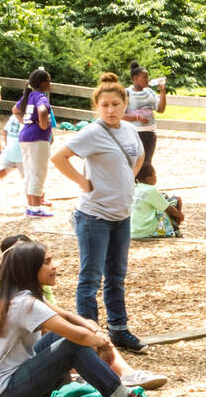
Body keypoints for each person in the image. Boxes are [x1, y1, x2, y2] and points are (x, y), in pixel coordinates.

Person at [0, 239, 163, 397]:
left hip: (4, 385)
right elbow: (78, 337)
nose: (55, 265)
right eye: (47, 262)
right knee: (72, 344)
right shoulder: (25, 304)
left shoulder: (19, 296)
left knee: (64, 337)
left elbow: (65, 317)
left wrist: (95, 331)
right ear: (31, 269)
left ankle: (95, 385)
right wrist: (103, 343)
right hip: (3, 395)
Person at [51, 73, 148, 354]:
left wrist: (128, 177)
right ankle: (90, 337)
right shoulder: (93, 132)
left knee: (116, 276)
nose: (110, 109)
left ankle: (118, 330)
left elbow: (139, 155)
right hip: (94, 215)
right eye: (104, 105)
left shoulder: (128, 130)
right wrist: (82, 182)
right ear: (97, 106)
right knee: (90, 278)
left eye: (116, 104)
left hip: (121, 215)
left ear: (124, 103)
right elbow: (59, 157)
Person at [14, 68, 54, 218]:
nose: (50, 84)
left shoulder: (29, 95)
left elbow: (15, 110)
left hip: (25, 136)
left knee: (30, 173)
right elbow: (43, 111)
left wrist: (26, 121)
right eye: (49, 81)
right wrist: (43, 126)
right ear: (43, 84)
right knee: (38, 173)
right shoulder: (40, 97)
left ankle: (31, 206)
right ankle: (36, 209)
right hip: (37, 138)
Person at [124, 64, 167, 164]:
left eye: (147, 77)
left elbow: (160, 109)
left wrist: (162, 92)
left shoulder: (150, 92)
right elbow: (120, 116)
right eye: (144, 78)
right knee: (134, 163)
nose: (147, 80)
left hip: (150, 134)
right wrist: (138, 117)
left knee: (147, 163)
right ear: (135, 79)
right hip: (134, 134)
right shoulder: (127, 93)